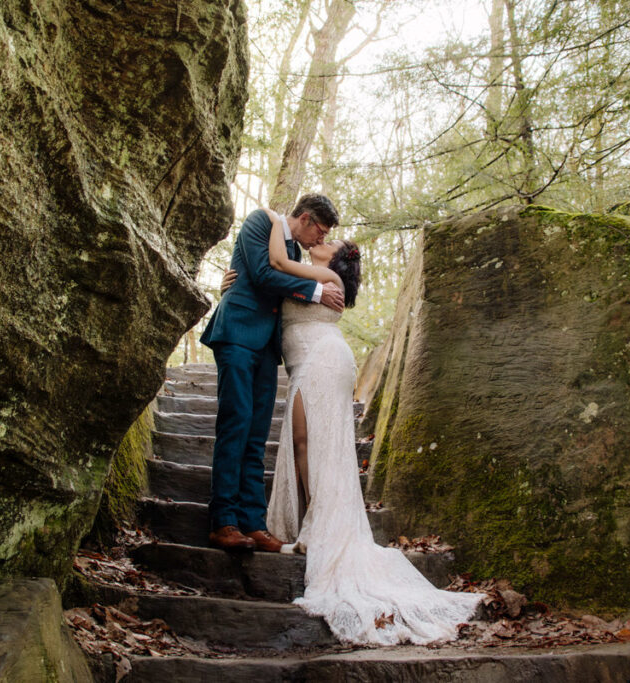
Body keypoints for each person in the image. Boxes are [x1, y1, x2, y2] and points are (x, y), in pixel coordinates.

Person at [223, 208, 484, 645]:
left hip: (324, 359)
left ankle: (320, 526)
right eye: (321, 233)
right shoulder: (309, 265)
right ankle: (311, 522)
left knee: (310, 443)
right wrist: (233, 279)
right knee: (304, 443)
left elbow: (277, 266)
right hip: (305, 361)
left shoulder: (331, 279)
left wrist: (271, 220)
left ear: (338, 259)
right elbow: (270, 276)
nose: (323, 240)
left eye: (330, 242)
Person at [199, 194, 345, 552]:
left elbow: (281, 287)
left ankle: (252, 522)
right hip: (236, 335)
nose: (321, 241)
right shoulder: (260, 222)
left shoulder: (293, 252)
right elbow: (263, 274)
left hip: (267, 348)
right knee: (236, 423)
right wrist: (316, 291)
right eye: (321, 232)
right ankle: (224, 522)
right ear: (307, 218)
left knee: (257, 433)